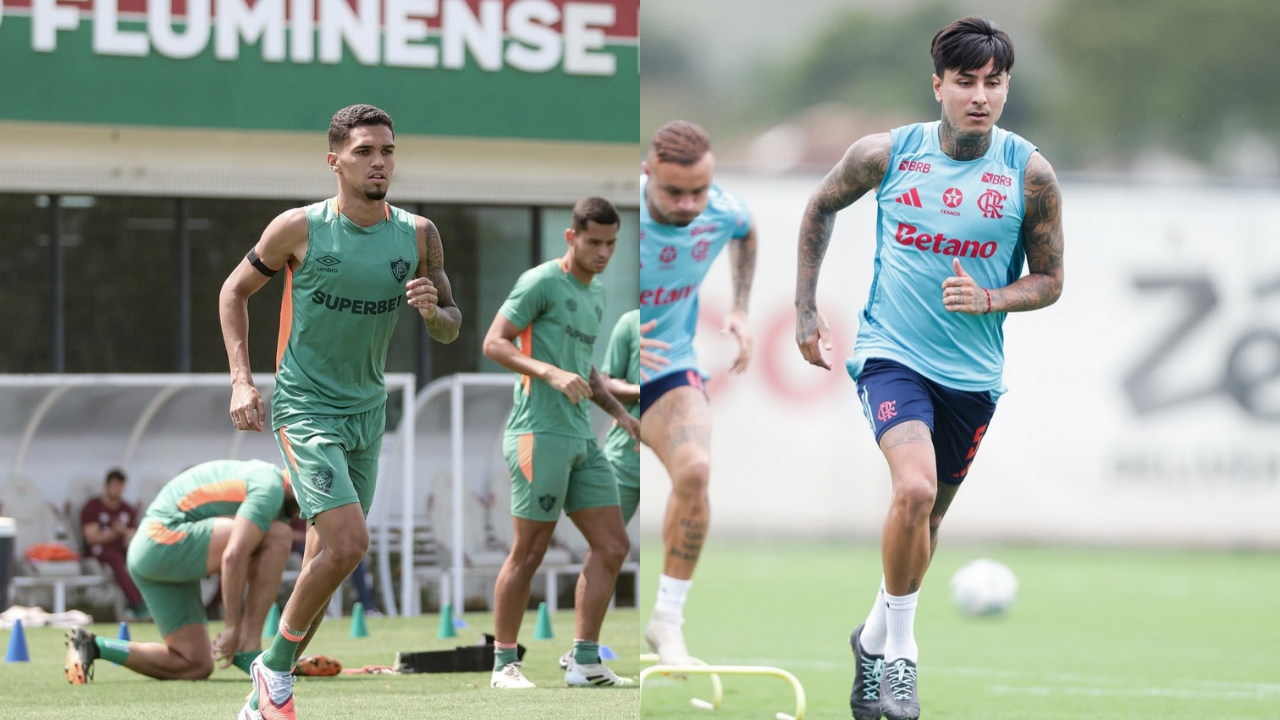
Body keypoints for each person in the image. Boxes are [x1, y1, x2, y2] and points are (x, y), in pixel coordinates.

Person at [793, 17, 1064, 720]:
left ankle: (871, 635)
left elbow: (1052, 279)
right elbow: (820, 206)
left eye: (994, 83)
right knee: (912, 491)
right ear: (938, 84)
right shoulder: (887, 154)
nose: (980, 96)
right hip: (892, 358)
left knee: (929, 518)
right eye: (966, 81)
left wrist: (993, 297)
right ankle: (901, 659)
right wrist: (804, 311)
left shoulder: (1028, 174)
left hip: (972, 377)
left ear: (1006, 88)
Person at [218, 104, 461, 720]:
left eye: (387, 151)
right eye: (363, 152)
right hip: (303, 407)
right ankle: (272, 672)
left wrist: (434, 312)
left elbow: (452, 328)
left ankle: (264, 693)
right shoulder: (297, 228)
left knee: (326, 561)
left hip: (367, 413)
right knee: (350, 545)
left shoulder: (419, 235)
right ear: (335, 160)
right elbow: (233, 292)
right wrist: (242, 380)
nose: (379, 162)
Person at [482, 197, 639, 689]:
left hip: (580, 436)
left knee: (613, 545)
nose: (604, 252)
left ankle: (585, 661)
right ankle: (503, 664)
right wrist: (549, 372)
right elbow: (494, 342)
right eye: (594, 242)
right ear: (571, 237)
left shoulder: (594, 295)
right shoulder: (540, 281)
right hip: (538, 433)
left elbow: (586, 365)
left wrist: (619, 414)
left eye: (612, 244)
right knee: (529, 552)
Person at [639, 121, 756, 665]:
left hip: (668, 367)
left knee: (695, 471)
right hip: (592, 373)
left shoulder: (721, 211)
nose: (688, 204)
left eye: (698, 191)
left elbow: (747, 228)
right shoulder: (615, 217)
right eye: (673, 192)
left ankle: (667, 620)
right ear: (646, 173)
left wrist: (739, 306)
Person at [64, 460, 298, 684]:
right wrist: (232, 628)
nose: (307, 513)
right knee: (278, 535)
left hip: (151, 554)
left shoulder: (266, 482)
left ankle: (93, 645)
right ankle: (249, 649)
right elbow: (234, 555)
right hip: (162, 539)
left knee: (195, 664)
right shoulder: (271, 486)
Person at [78, 468, 145, 618]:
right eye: (115, 485)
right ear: (106, 485)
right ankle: (138, 603)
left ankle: (152, 602)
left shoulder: (127, 509)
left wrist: (126, 534)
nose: (117, 489)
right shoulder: (92, 507)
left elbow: (134, 536)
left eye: (120, 486)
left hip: (122, 548)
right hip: (101, 551)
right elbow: (92, 538)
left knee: (142, 557)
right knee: (117, 561)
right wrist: (114, 533)